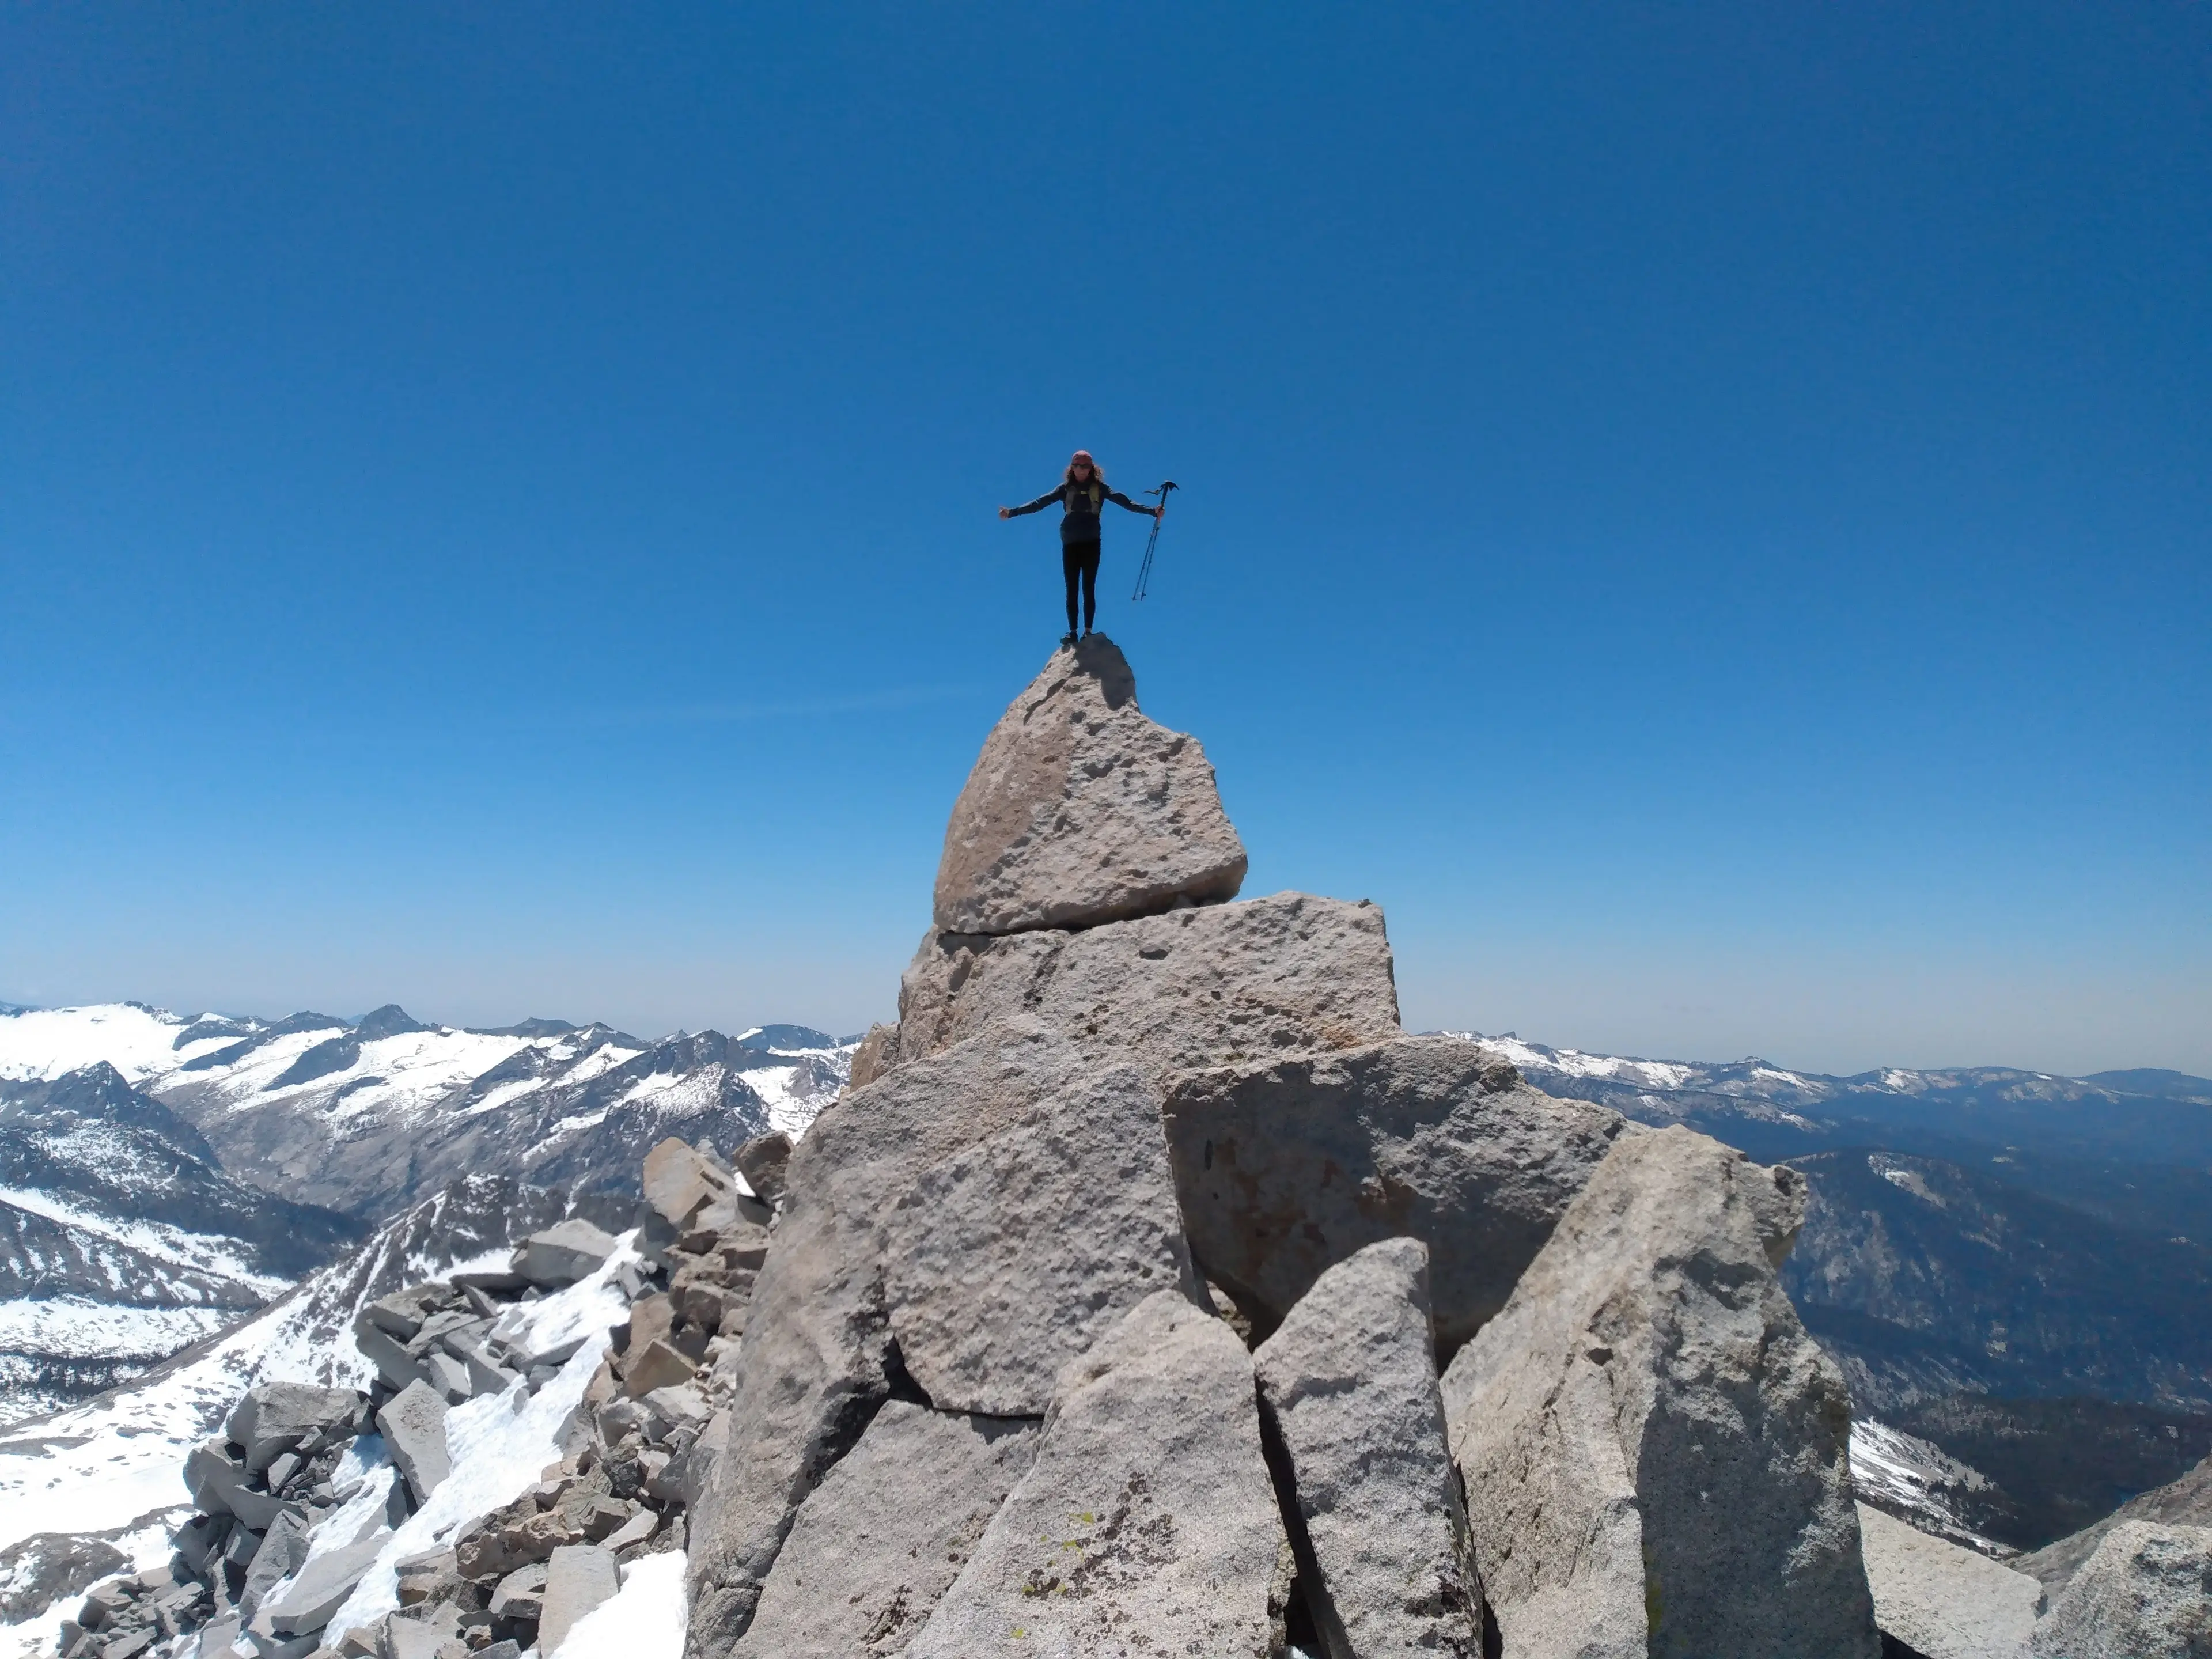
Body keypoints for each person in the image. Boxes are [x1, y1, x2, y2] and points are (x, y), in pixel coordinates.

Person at [999, 450, 1162, 646]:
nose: (1081, 470)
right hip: (1070, 541)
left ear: (1092, 468)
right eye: (1077, 466)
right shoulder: (1065, 488)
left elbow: (1126, 502)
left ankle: (1087, 631)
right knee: (1072, 588)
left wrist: (1152, 511)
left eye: (1085, 467)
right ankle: (1073, 632)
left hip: (1091, 541)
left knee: (1088, 587)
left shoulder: (1100, 489)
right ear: (1072, 468)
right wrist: (1012, 513)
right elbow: (1039, 504)